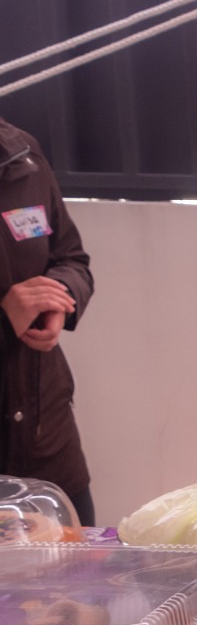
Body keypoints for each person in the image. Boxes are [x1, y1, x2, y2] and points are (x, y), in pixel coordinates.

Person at [0, 120, 95, 523]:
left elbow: (71, 258)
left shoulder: (21, 154)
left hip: (47, 442)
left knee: (81, 559)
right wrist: (6, 318)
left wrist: (59, 295)